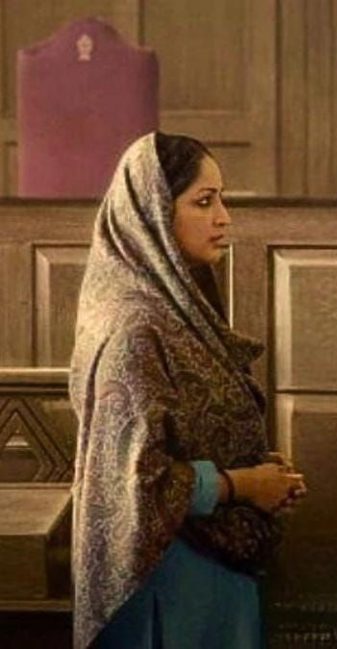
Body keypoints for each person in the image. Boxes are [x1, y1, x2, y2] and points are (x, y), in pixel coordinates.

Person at [70, 132, 308, 648]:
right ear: (154, 213)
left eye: (222, 200)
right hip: (169, 582)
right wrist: (244, 485)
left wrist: (265, 477)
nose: (224, 218)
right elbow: (139, 483)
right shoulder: (135, 331)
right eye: (204, 202)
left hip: (210, 573)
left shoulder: (174, 312)